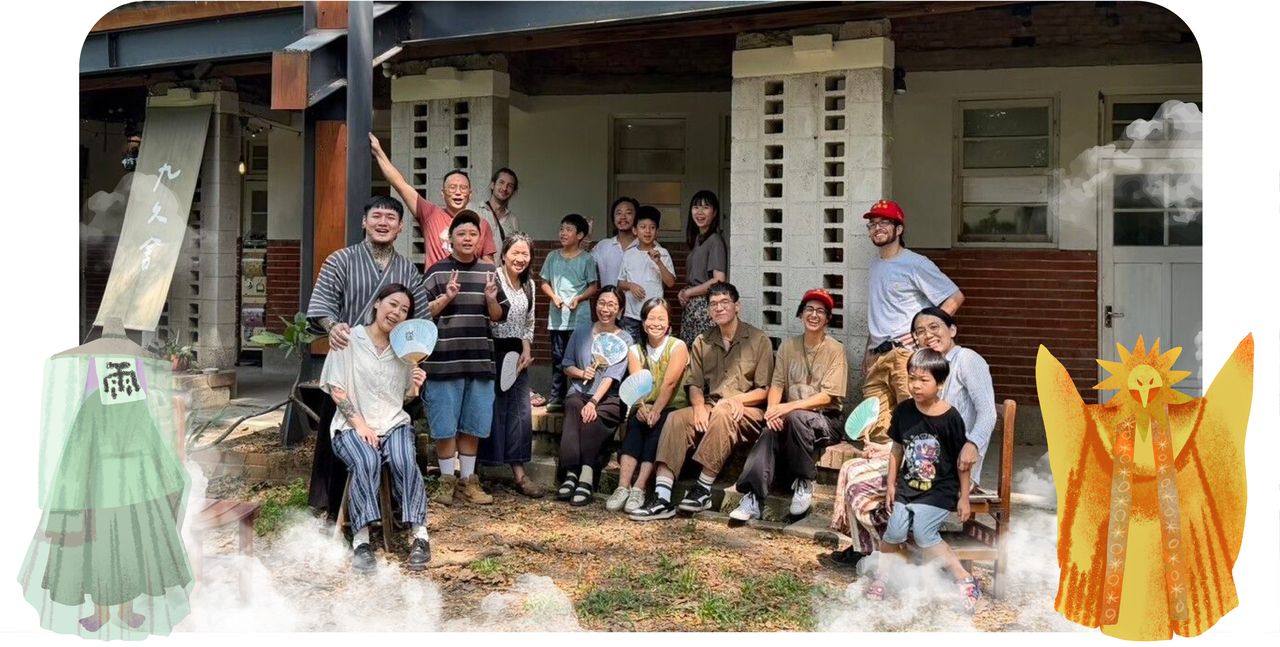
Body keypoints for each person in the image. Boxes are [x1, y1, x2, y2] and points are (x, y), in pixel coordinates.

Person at [828, 307, 996, 566]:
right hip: (922, 462)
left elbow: (988, 412)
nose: (927, 335)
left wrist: (972, 444)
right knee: (851, 468)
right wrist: (888, 449)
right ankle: (872, 547)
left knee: (861, 485)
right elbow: (921, 431)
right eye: (920, 331)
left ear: (952, 330)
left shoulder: (967, 360)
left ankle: (892, 551)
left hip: (952, 470)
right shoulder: (926, 367)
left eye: (934, 327)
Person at [306, 195, 431, 522]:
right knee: (341, 437)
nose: (383, 222)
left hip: (390, 367)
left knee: (398, 442)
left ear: (400, 227)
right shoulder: (340, 260)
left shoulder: (407, 270)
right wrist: (332, 327)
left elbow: (419, 321)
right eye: (377, 216)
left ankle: (398, 510)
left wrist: (413, 364)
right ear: (364, 221)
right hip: (349, 364)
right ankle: (334, 509)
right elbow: (322, 305)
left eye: (391, 218)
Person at [629, 282, 774, 521]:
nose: (719, 308)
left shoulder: (758, 340)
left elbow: (765, 390)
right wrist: (697, 406)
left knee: (723, 413)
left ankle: (703, 489)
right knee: (675, 418)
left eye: (725, 302)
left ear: (737, 306)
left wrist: (735, 400)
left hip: (748, 410)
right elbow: (694, 384)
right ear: (708, 310)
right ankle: (662, 497)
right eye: (713, 304)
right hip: (711, 405)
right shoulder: (702, 341)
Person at [320, 284, 431, 573]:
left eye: (404, 310)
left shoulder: (404, 350)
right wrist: (361, 426)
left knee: (404, 458)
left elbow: (404, 398)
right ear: (377, 304)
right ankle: (362, 542)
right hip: (351, 426)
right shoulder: (348, 339)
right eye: (392, 304)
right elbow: (336, 390)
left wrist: (415, 386)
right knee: (366, 459)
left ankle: (419, 535)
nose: (396, 313)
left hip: (393, 423)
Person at [864, 348, 980, 611]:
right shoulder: (904, 411)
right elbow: (897, 449)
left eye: (923, 380)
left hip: (940, 489)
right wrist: (891, 484)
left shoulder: (951, 418)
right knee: (894, 532)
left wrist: (964, 497)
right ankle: (882, 576)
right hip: (908, 486)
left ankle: (965, 578)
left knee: (924, 534)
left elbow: (963, 463)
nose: (915, 385)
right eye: (912, 378)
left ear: (940, 383)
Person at [729, 289, 847, 523]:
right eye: (809, 309)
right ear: (801, 314)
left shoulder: (836, 349)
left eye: (821, 311)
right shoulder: (788, 346)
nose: (814, 315)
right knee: (770, 431)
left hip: (826, 420)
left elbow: (828, 397)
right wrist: (773, 411)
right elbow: (777, 384)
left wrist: (786, 408)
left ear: (827, 319)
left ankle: (804, 481)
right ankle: (752, 496)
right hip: (792, 418)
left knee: (795, 417)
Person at [421, 210, 509, 506]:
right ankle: (447, 482)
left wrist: (491, 298)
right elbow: (421, 314)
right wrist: (446, 297)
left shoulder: (490, 272)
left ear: (480, 238)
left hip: (480, 360)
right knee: (444, 425)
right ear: (450, 239)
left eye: (473, 234)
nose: (468, 238)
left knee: (474, 423)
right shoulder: (437, 272)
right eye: (461, 234)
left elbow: (498, 316)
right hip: (443, 361)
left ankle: (468, 481)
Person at [860, 199, 964, 444]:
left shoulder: (916, 263)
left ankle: (919, 468)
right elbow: (880, 310)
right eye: (873, 224)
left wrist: (924, 334)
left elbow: (955, 297)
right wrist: (868, 350)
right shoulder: (875, 264)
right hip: (877, 356)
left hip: (905, 355)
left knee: (915, 423)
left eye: (885, 222)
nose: (877, 228)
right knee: (876, 429)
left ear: (899, 229)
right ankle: (888, 469)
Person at [606, 297, 689, 514]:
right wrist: (642, 408)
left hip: (672, 406)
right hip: (646, 403)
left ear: (669, 323)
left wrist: (656, 410)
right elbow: (637, 384)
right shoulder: (635, 350)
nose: (656, 323)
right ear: (643, 323)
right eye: (651, 318)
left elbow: (670, 384)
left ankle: (639, 487)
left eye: (661, 318)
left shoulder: (677, 346)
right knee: (636, 423)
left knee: (658, 425)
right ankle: (623, 486)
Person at [478, 233, 545, 497]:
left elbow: (529, 322)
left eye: (525, 254)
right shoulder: (492, 279)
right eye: (515, 253)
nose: (520, 258)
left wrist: (527, 349)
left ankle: (520, 475)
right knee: (491, 409)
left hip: (517, 355)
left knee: (520, 413)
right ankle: (479, 472)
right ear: (504, 254)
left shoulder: (529, 285)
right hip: (492, 351)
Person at [555, 286, 633, 506]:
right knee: (572, 405)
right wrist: (581, 373)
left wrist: (593, 402)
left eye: (611, 305)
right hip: (580, 391)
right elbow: (567, 365)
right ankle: (571, 473)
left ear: (620, 310)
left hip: (609, 398)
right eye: (601, 303)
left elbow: (612, 376)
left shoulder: (625, 339)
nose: (605, 309)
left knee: (591, 417)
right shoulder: (581, 332)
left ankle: (587, 476)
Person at [369, 133, 497, 266]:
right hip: (436, 279)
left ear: (470, 194)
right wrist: (378, 151)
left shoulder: (482, 225)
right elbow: (400, 185)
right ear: (443, 193)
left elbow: (489, 263)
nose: (458, 192)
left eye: (463, 188)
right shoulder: (430, 214)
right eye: (452, 188)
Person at [539, 213, 599, 412]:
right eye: (561, 229)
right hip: (557, 319)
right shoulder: (552, 256)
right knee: (558, 359)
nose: (563, 233)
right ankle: (556, 398)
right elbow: (544, 282)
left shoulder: (587, 259)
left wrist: (579, 298)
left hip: (580, 320)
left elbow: (593, 286)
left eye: (568, 229)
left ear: (580, 235)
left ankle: (577, 396)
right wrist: (553, 296)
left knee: (580, 359)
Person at [616, 205, 675, 342]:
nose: (647, 231)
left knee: (653, 350)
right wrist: (631, 286)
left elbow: (671, 283)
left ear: (657, 231)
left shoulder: (663, 253)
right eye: (643, 227)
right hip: (631, 316)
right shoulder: (629, 254)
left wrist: (659, 262)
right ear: (635, 230)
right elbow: (620, 283)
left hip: (654, 315)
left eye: (652, 227)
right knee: (632, 351)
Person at [676, 190, 727, 346]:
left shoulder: (715, 240)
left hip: (705, 308)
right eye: (696, 207)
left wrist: (689, 292)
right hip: (692, 307)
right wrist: (684, 292)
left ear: (714, 212)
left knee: (703, 352)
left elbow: (718, 280)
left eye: (705, 207)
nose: (700, 212)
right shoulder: (698, 239)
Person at [591, 196, 639, 288]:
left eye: (628, 213)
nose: (623, 217)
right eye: (619, 213)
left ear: (636, 217)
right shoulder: (602, 246)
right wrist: (582, 243)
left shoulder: (647, 246)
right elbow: (584, 268)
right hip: (609, 297)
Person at [478, 167, 521, 247]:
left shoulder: (513, 220)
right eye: (501, 182)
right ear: (492, 185)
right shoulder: (475, 210)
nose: (504, 188)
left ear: (513, 192)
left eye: (510, 186)